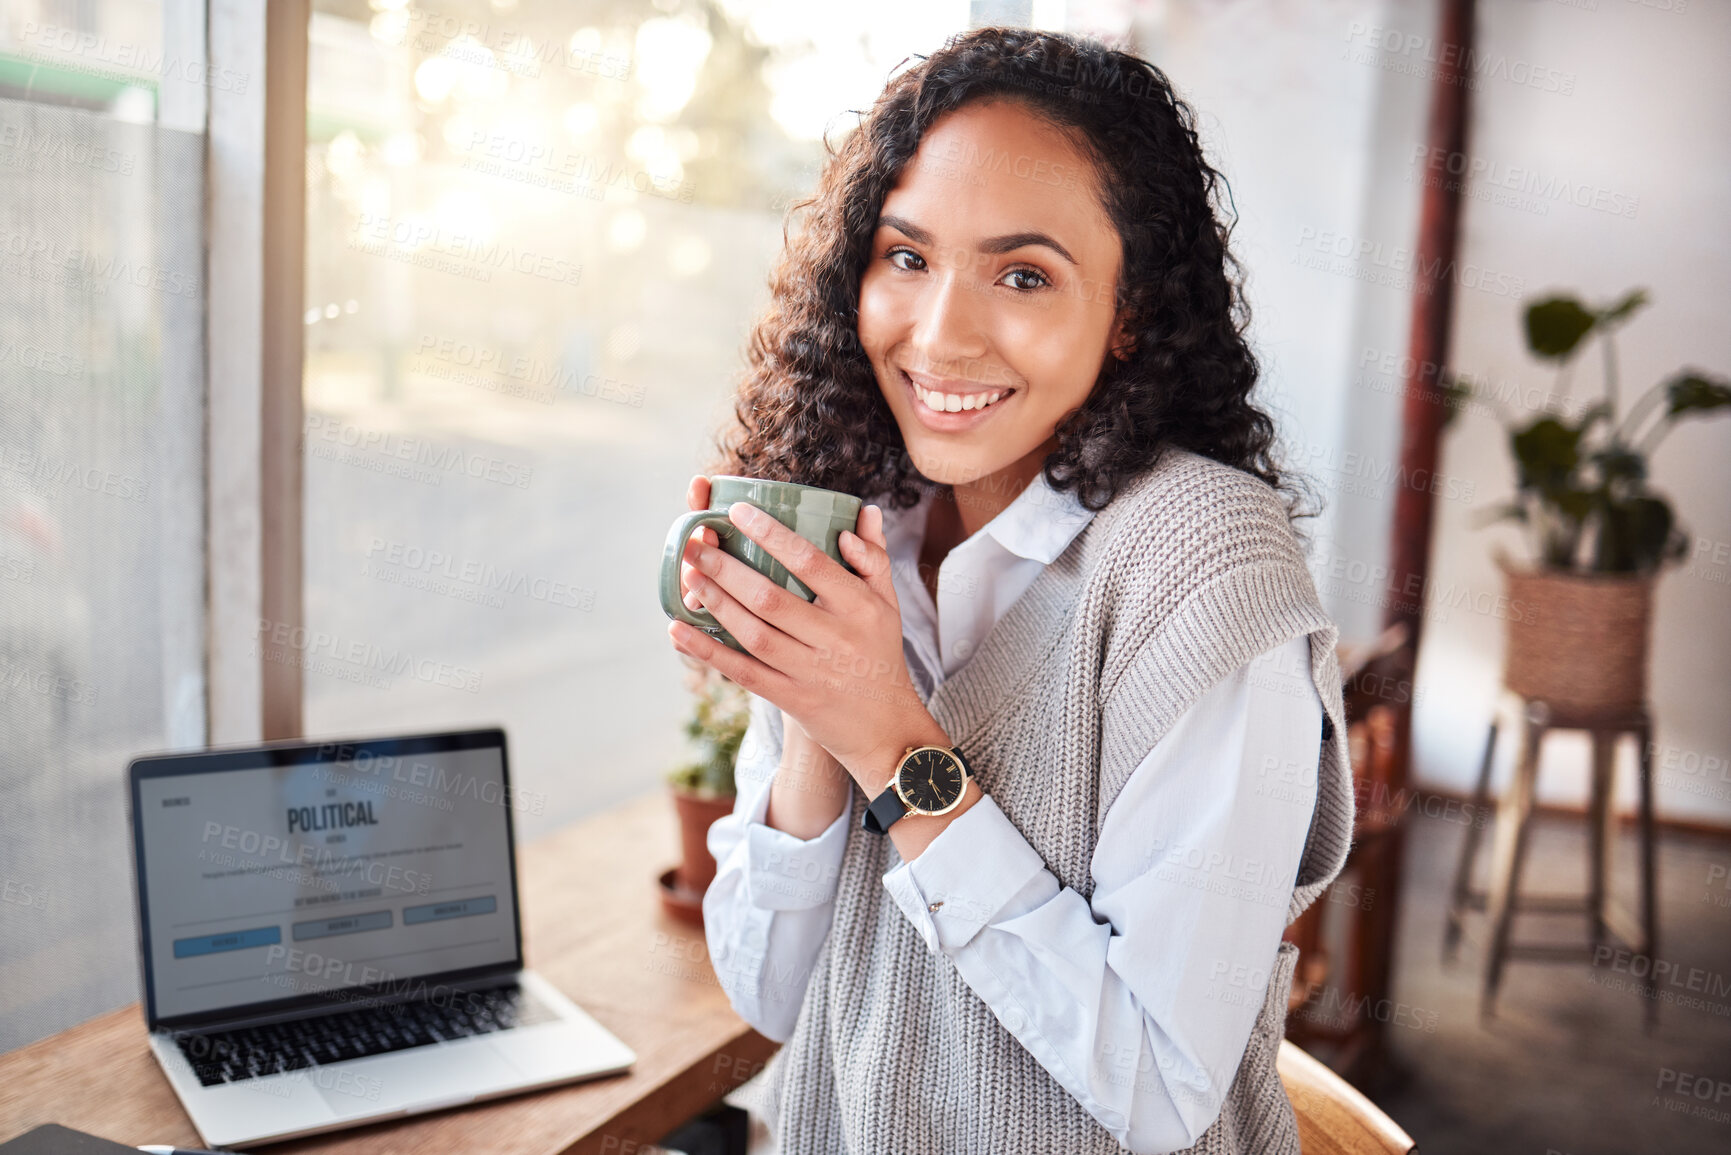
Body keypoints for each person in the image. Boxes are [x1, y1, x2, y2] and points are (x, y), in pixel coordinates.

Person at [664, 26, 1352, 1155]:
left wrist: (888, 741)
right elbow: (769, 998)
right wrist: (811, 710)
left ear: (1131, 309)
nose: (941, 336)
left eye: (1023, 274)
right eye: (906, 257)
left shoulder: (1205, 568)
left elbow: (1160, 1091)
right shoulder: (854, 518)